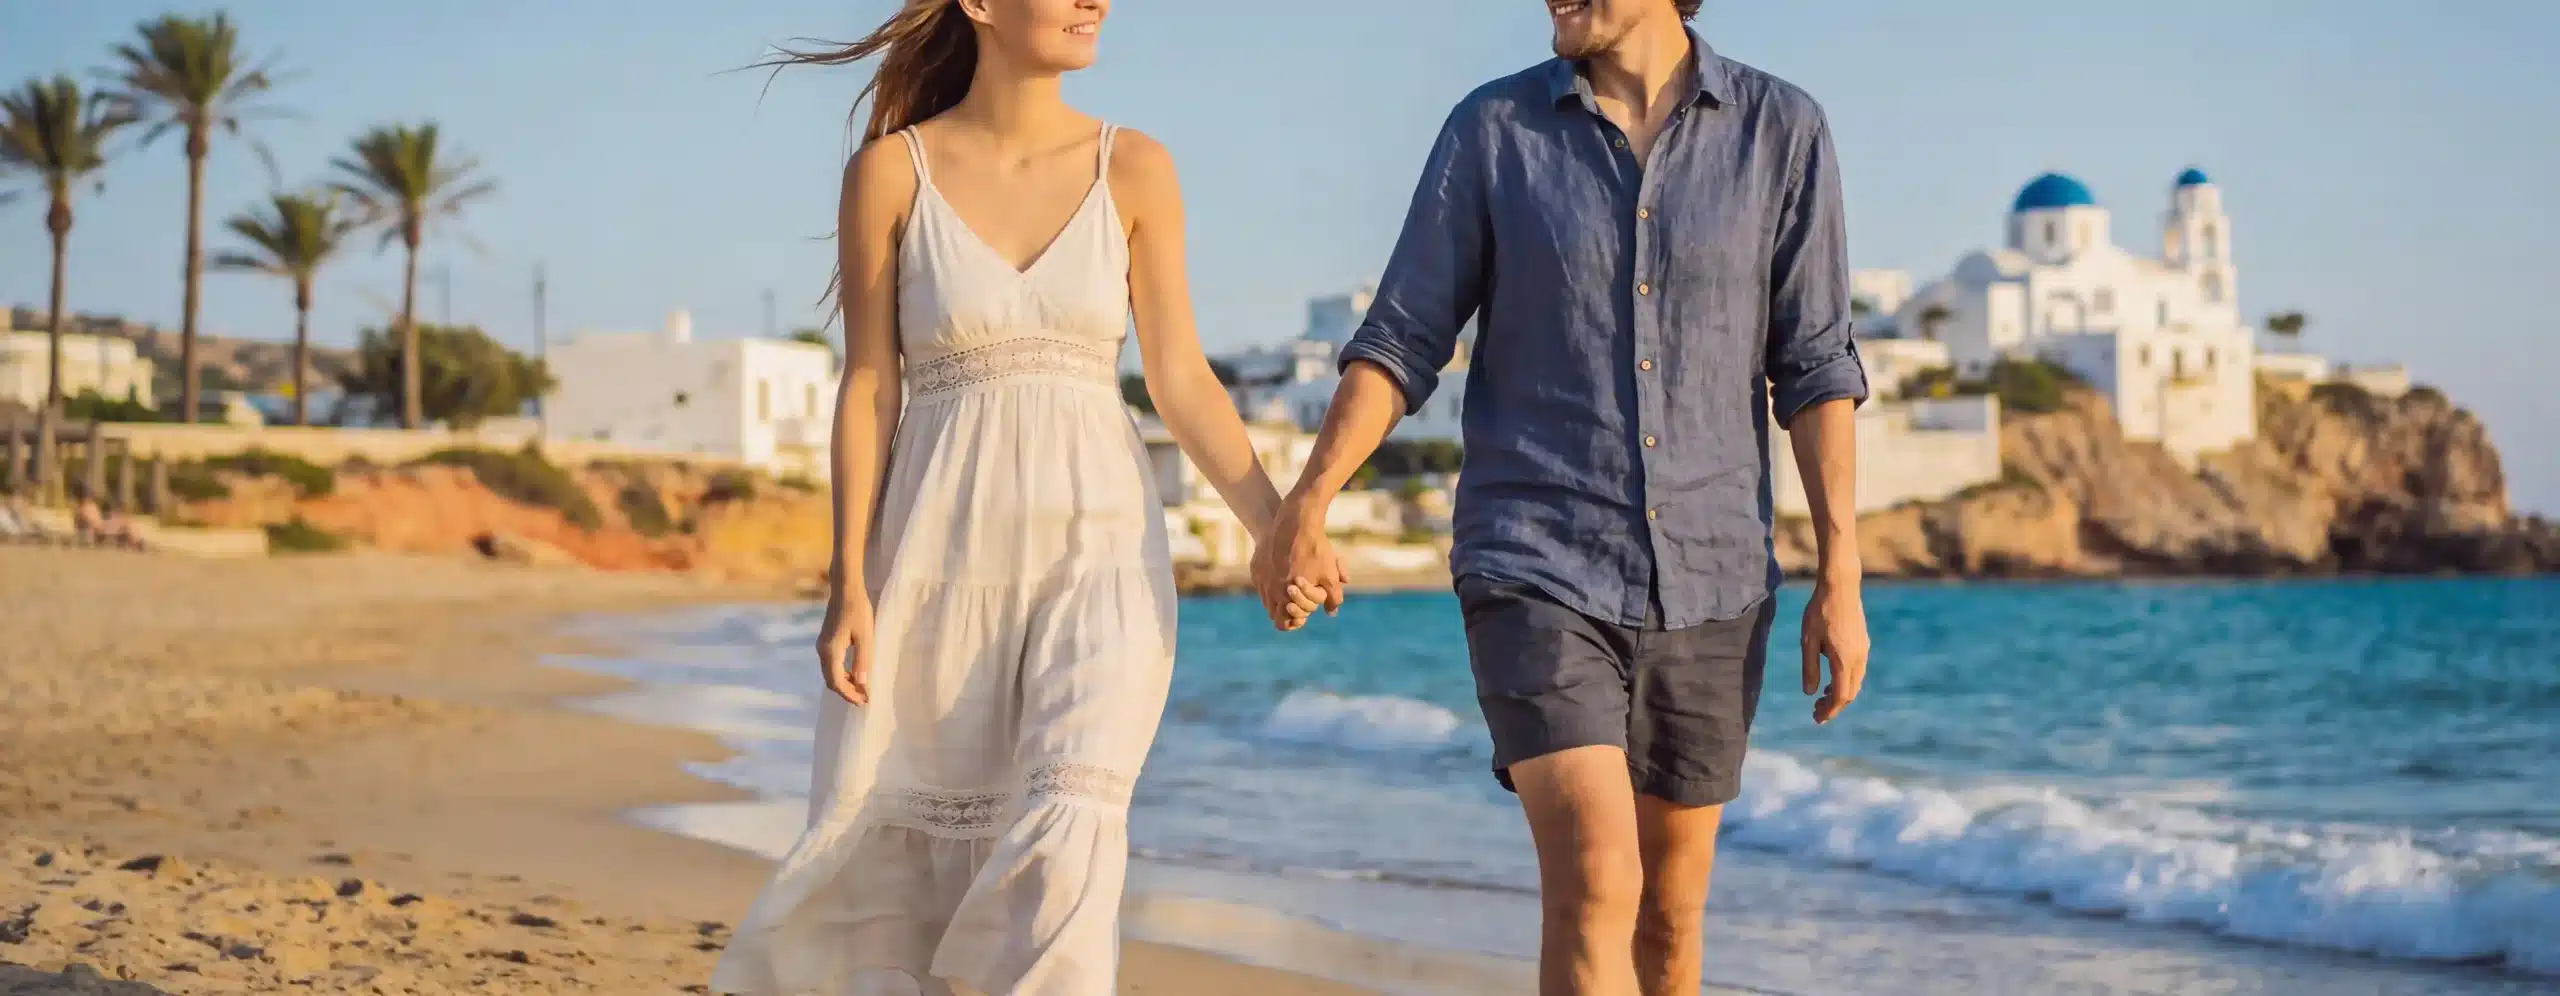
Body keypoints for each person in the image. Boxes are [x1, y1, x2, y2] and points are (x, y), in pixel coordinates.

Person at [1251, 2, 1873, 993]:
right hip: (1534, 556)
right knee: (1595, 878)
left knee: (1669, 921)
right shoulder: (1492, 132)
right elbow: (1404, 335)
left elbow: (1813, 366)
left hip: (1714, 576)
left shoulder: (1780, 131)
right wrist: (1309, 500)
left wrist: (1840, 573)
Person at [709, 2, 1322, 993]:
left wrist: (1276, 528)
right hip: (936, 559)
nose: (1096, 2)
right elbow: (869, 386)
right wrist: (849, 586)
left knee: (1071, 819)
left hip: (1103, 552)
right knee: (909, 869)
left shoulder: (1134, 167)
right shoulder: (889, 173)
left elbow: (1180, 377)